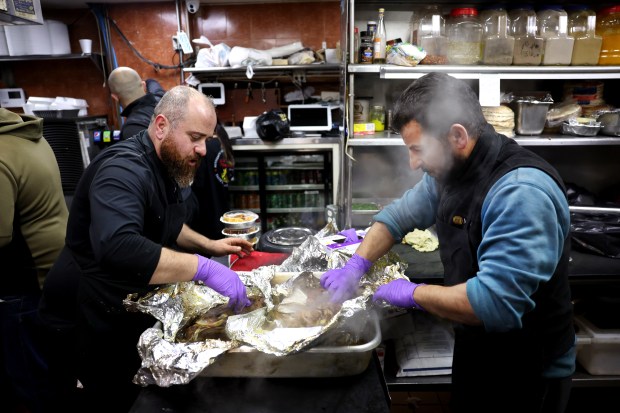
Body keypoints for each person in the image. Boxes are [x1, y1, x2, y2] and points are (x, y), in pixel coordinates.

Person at [321, 73, 575, 412]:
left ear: (457, 136)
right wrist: (357, 264)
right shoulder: (450, 172)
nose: (413, 164)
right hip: (478, 347)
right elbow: (397, 217)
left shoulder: (520, 192)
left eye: (418, 150)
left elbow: (494, 303)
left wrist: (411, 293)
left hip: (529, 369)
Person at [39, 86, 253, 412]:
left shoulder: (165, 163)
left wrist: (209, 244)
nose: (202, 150)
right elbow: (120, 245)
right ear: (162, 125)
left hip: (121, 304)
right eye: (195, 137)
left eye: (206, 140)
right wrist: (203, 267)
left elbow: (164, 222)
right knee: (108, 400)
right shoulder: (122, 170)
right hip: (86, 311)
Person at [0, 108, 69, 413]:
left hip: (22, 288)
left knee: (32, 385)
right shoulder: (27, 135)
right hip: (56, 275)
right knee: (54, 375)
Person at [185, 122, 235, 240]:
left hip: (205, 217)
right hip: (223, 213)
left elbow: (198, 183)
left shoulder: (206, 148)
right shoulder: (225, 146)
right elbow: (229, 177)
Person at [108, 66, 166, 140]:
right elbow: (151, 82)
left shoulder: (131, 128)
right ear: (144, 85)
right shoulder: (162, 98)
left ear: (115, 97)